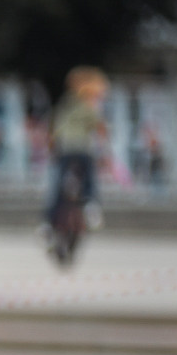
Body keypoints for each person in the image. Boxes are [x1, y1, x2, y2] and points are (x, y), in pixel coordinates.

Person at [45, 67, 109, 251]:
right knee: (90, 179)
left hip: (64, 150)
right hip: (82, 149)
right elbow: (100, 127)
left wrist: (52, 149)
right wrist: (105, 151)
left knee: (56, 187)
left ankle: (46, 225)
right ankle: (91, 206)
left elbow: (54, 129)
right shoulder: (88, 106)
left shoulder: (65, 104)